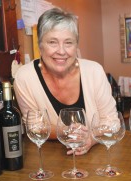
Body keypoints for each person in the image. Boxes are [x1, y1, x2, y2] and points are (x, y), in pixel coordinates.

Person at [13, 7, 117, 155]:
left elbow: (112, 122)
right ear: (40, 45)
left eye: (68, 43)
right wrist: (64, 131)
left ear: (76, 46)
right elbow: (34, 127)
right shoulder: (25, 77)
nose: (61, 51)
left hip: (98, 162)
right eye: (52, 42)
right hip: (50, 164)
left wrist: (91, 138)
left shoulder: (94, 71)